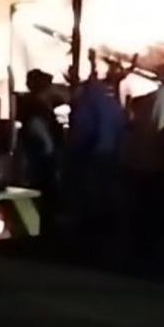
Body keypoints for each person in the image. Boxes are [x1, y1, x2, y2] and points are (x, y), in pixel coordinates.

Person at [68, 74, 127, 249]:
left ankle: (90, 233)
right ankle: (107, 230)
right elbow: (121, 129)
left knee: (90, 194)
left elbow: (80, 132)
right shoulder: (113, 105)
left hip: (91, 156)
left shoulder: (85, 105)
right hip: (111, 156)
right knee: (108, 193)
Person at [19, 69, 63, 237]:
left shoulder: (31, 104)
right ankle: (45, 231)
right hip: (42, 159)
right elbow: (36, 128)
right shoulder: (37, 107)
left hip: (37, 158)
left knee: (42, 192)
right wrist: (50, 150)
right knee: (46, 191)